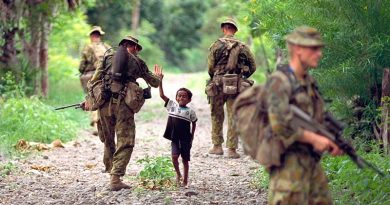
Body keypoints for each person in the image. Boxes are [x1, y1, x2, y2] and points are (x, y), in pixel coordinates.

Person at [265, 26, 343, 204]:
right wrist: (315, 139)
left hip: (312, 166)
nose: (319, 53)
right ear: (298, 48)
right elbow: (279, 125)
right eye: (314, 48)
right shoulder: (279, 81)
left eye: (320, 48)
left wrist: (330, 140)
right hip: (289, 172)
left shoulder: (309, 82)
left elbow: (315, 120)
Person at [83, 35, 161, 191]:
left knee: (108, 137)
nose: (137, 52)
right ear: (132, 47)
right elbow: (154, 82)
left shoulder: (106, 58)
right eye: (137, 49)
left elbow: (93, 81)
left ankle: (109, 167)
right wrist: (159, 77)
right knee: (126, 140)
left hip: (104, 104)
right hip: (123, 106)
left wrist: (89, 100)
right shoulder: (137, 62)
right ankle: (115, 178)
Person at [207, 18, 256, 158]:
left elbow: (210, 66)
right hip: (236, 85)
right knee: (234, 116)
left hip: (218, 84)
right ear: (235, 30)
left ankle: (217, 147)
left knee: (216, 114)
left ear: (223, 29)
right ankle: (232, 150)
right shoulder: (243, 47)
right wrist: (242, 76)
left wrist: (215, 76)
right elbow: (253, 66)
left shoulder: (216, 45)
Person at [155, 65, 197, 187]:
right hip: (174, 137)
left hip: (185, 138)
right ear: (176, 98)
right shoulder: (172, 105)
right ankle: (178, 174)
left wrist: (192, 136)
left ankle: (185, 180)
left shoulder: (190, 112)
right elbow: (162, 95)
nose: (181, 97)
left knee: (185, 160)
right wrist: (160, 81)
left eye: (184, 96)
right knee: (174, 157)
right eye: (179, 95)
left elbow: (194, 123)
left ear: (189, 100)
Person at [79, 26, 111, 134]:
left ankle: (96, 125)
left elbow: (82, 65)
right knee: (104, 99)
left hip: (91, 76)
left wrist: (82, 71)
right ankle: (104, 124)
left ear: (91, 36)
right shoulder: (107, 47)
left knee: (92, 97)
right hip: (107, 76)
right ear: (100, 36)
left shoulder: (88, 47)